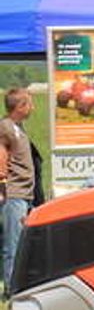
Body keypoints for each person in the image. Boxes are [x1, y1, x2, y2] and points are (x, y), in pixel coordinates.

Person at [0, 88, 36, 291]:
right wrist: (2, 184)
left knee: (22, 245)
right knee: (13, 246)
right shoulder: (5, 128)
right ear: (20, 107)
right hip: (14, 195)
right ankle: (12, 289)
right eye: (29, 103)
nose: (32, 107)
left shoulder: (17, 127)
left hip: (24, 195)